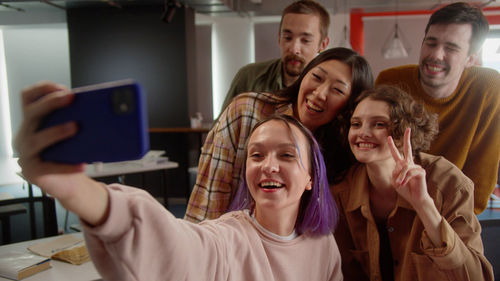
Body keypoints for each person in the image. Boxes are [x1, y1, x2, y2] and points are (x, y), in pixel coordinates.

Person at [15, 102, 343, 281]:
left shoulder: (321, 242)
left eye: (286, 155)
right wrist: (76, 189)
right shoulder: (228, 240)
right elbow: (174, 249)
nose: (268, 165)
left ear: (312, 177)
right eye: (256, 155)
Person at [185, 47, 373, 222]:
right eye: (316, 77)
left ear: (349, 106)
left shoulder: (340, 149)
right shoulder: (246, 112)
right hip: (230, 243)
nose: (319, 94)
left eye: (338, 90)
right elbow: (209, 200)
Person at [332, 85, 493, 281]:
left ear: (404, 132)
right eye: (356, 124)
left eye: (379, 124)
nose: (363, 132)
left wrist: (424, 205)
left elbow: (477, 277)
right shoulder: (340, 193)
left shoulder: (449, 182)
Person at [375, 2, 500, 214]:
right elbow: (377, 159)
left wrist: (434, 217)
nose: (436, 55)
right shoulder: (391, 81)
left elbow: (480, 180)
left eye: (451, 48)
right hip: (393, 208)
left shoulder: (488, 87)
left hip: (453, 213)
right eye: (431, 43)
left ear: (471, 58)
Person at [219, 0, 331, 112]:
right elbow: (220, 128)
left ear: (323, 44)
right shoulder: (249, 77)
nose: (294, 49)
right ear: (279, 38)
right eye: (287, 38)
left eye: (305, 40)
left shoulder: (327, 90)